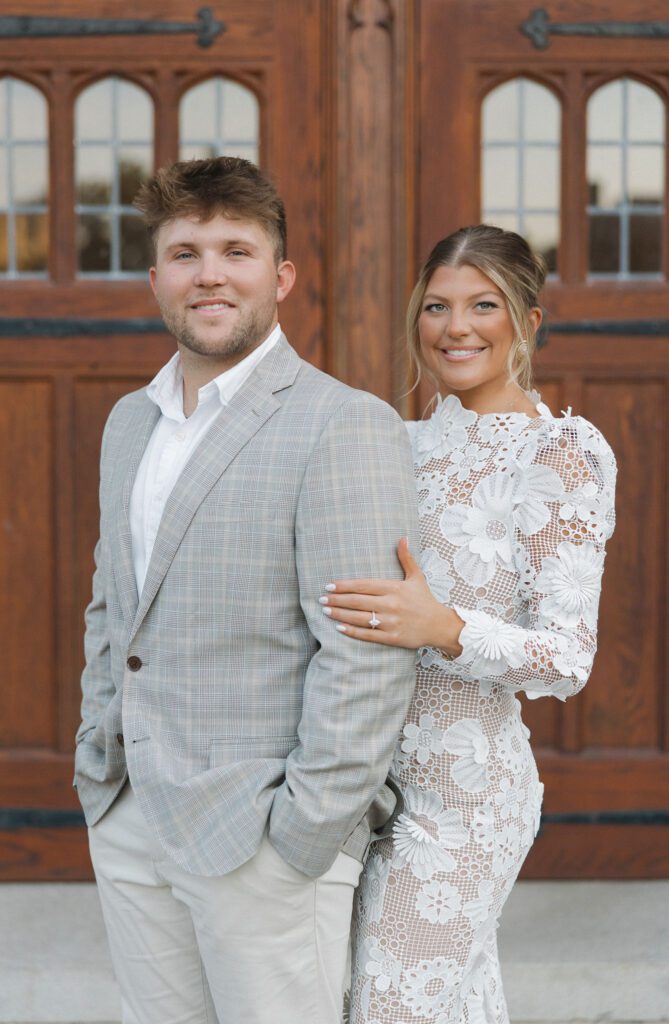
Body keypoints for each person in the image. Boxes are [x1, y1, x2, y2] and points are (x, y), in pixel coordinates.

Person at [73, 155, 419, 1024]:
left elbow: (366, 649)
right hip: (130, 812)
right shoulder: (129, 423)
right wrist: (96, 768)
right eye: (186, 252)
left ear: (281, 276)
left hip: (263, 838)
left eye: (236, 249)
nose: (210, 273)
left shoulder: (342, 423)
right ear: (155, 278)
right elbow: (112, 606)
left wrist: (303, 835)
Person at [321, 225, 617, 1023]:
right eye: (437, 306)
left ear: (527, 321)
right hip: (358, 789)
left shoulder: (556, 454)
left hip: (465, 803)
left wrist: (441, 626)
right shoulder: (391, 441)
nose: (456, 327)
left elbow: (566, 658)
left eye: (483, 305)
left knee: (388, 1012)